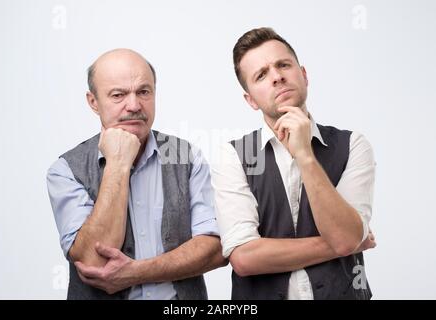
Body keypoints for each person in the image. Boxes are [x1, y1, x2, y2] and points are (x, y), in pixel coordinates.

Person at [47, 48, 227, 300]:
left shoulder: (187, 156)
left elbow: (215, 249)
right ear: (93, 102)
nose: (134, 105)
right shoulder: (65, 170)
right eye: (118, 95)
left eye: (144, 92)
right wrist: (118, 163)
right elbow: (93, 261)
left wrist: (137, 272)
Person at [211, 27, 376, 300]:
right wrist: (342, 244)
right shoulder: (232, 156)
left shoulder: (353, 145)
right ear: (250, 100)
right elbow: (245, 258)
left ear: (304, 75)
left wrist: (306, 156)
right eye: (261, 75)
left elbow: (346, 237)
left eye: (283, 65)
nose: (277, 77)